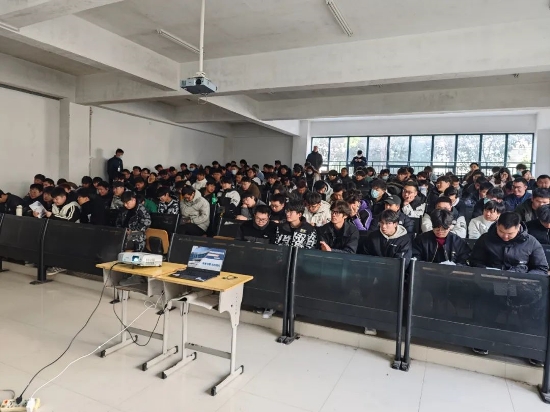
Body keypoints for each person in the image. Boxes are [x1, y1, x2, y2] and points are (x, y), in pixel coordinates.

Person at [470, 212, 548, 275]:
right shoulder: (485, 239)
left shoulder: (531, 242)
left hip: (520, 281)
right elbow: (475, 261)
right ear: (497, 225)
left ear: (518, 227)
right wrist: (485, 271)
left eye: (510, 233)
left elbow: (541, 268)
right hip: (490, 279)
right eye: (501, 231)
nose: (505, 236)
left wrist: (526, 277)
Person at [117, 192, 153, 286]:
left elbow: (147, 222)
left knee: (131, 247)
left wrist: (134, 231)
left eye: (127, 202)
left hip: (137, 234)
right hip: (124, 233)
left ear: (133, 200)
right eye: (124, 203)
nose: (125, 205)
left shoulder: (141, 209)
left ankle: (136, 276)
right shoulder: (124, 209)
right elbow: (119, 221)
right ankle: (123, 273)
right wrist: (121, 230)